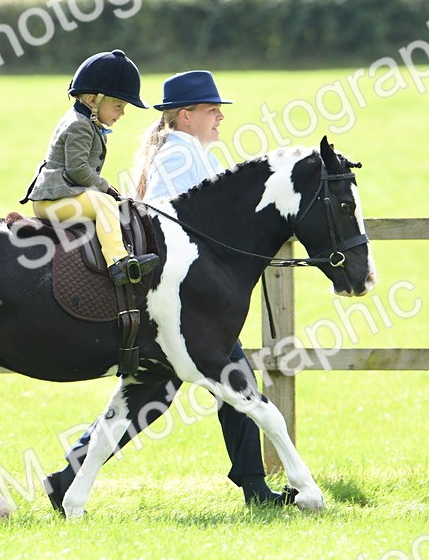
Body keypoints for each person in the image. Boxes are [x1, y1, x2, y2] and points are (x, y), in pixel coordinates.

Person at [44, 70, 296, 510]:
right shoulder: (177, 156)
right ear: (185, 116)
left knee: (153, 397)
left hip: (193, 300)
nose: (220, 117)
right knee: (230, 384)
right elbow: (163, 218)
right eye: (211, 110)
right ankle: (256, 489)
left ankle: (66, 479)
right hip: (184, 303)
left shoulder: (189, 152)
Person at [21, 49, 160, 286]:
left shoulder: (87, 122)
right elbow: (77, 170)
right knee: (103, 203)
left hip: (64, 196)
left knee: (108, 203)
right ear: (94, 101)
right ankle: (118, 262)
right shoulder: (79, 126)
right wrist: (106, 187)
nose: (122, 113)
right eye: (118, 106)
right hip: (52, 201)